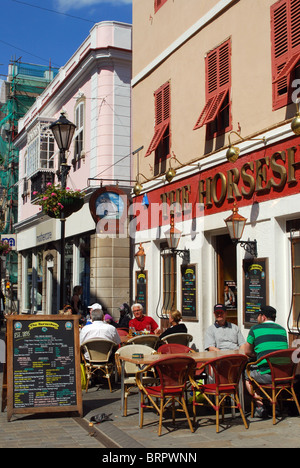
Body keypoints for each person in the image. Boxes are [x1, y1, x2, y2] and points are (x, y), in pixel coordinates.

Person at [244, 305, 288, 418]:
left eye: (258, 316)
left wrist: (257, 355)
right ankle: (275, 405)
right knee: (265, 371)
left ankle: (259, 405)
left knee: (248, 374)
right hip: (285, 376)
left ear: (263, 317)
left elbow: (247, 351)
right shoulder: (282, 330)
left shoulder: (255, 329)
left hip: (269, 376)